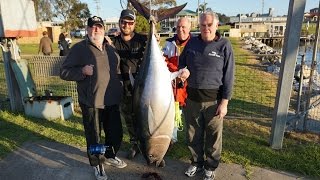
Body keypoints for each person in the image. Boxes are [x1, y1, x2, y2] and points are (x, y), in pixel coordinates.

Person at [60, 16, 127, 180]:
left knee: (116, 133)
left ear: (103, 29)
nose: (95, 30)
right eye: (92, 27)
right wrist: (82, 71)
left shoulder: (110, 49)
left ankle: (110, 156)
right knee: (94, 137)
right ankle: (97, 164)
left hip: (111, 101)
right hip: (91, 102)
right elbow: (64, 72)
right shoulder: (79, 48)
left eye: (98, 27)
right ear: (87, 29)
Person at [179, 11, 235, 180]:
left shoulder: (224, 45)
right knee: (192, 135)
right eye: (203, 25)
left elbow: (229, 76)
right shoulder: (192, 44)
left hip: (214, 102)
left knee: (213, 137)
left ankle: (210, 166)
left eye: (209, 25)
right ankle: (196, 162)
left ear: (216, 25)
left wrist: (224, 102)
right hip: (192, 100)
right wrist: (183, 72)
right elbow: (182, 63)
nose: (206, 28)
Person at [111, 9, 147, 159]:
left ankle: (147, 141)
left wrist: (155, 39)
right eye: (124, 22)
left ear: (134, 24)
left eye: (130, 22)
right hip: (124, 87)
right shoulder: (113, 41)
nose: (127, 25)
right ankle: (134, 143)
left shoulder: (143, 39)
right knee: (129, 118)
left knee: (144, 116)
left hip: (143, 88)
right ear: (119, 23)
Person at [162, 17, 191, 146]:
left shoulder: (194, 43)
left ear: (189, 28)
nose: (180, 29)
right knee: (172, 111)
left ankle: (193, 140)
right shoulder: (168, 43)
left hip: (188, 85)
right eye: (178, 27)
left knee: (190, 114)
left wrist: (183, 73)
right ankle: (172, 138)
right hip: (172, 85)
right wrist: (176, 72)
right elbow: (163, 61)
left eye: (183, 27)